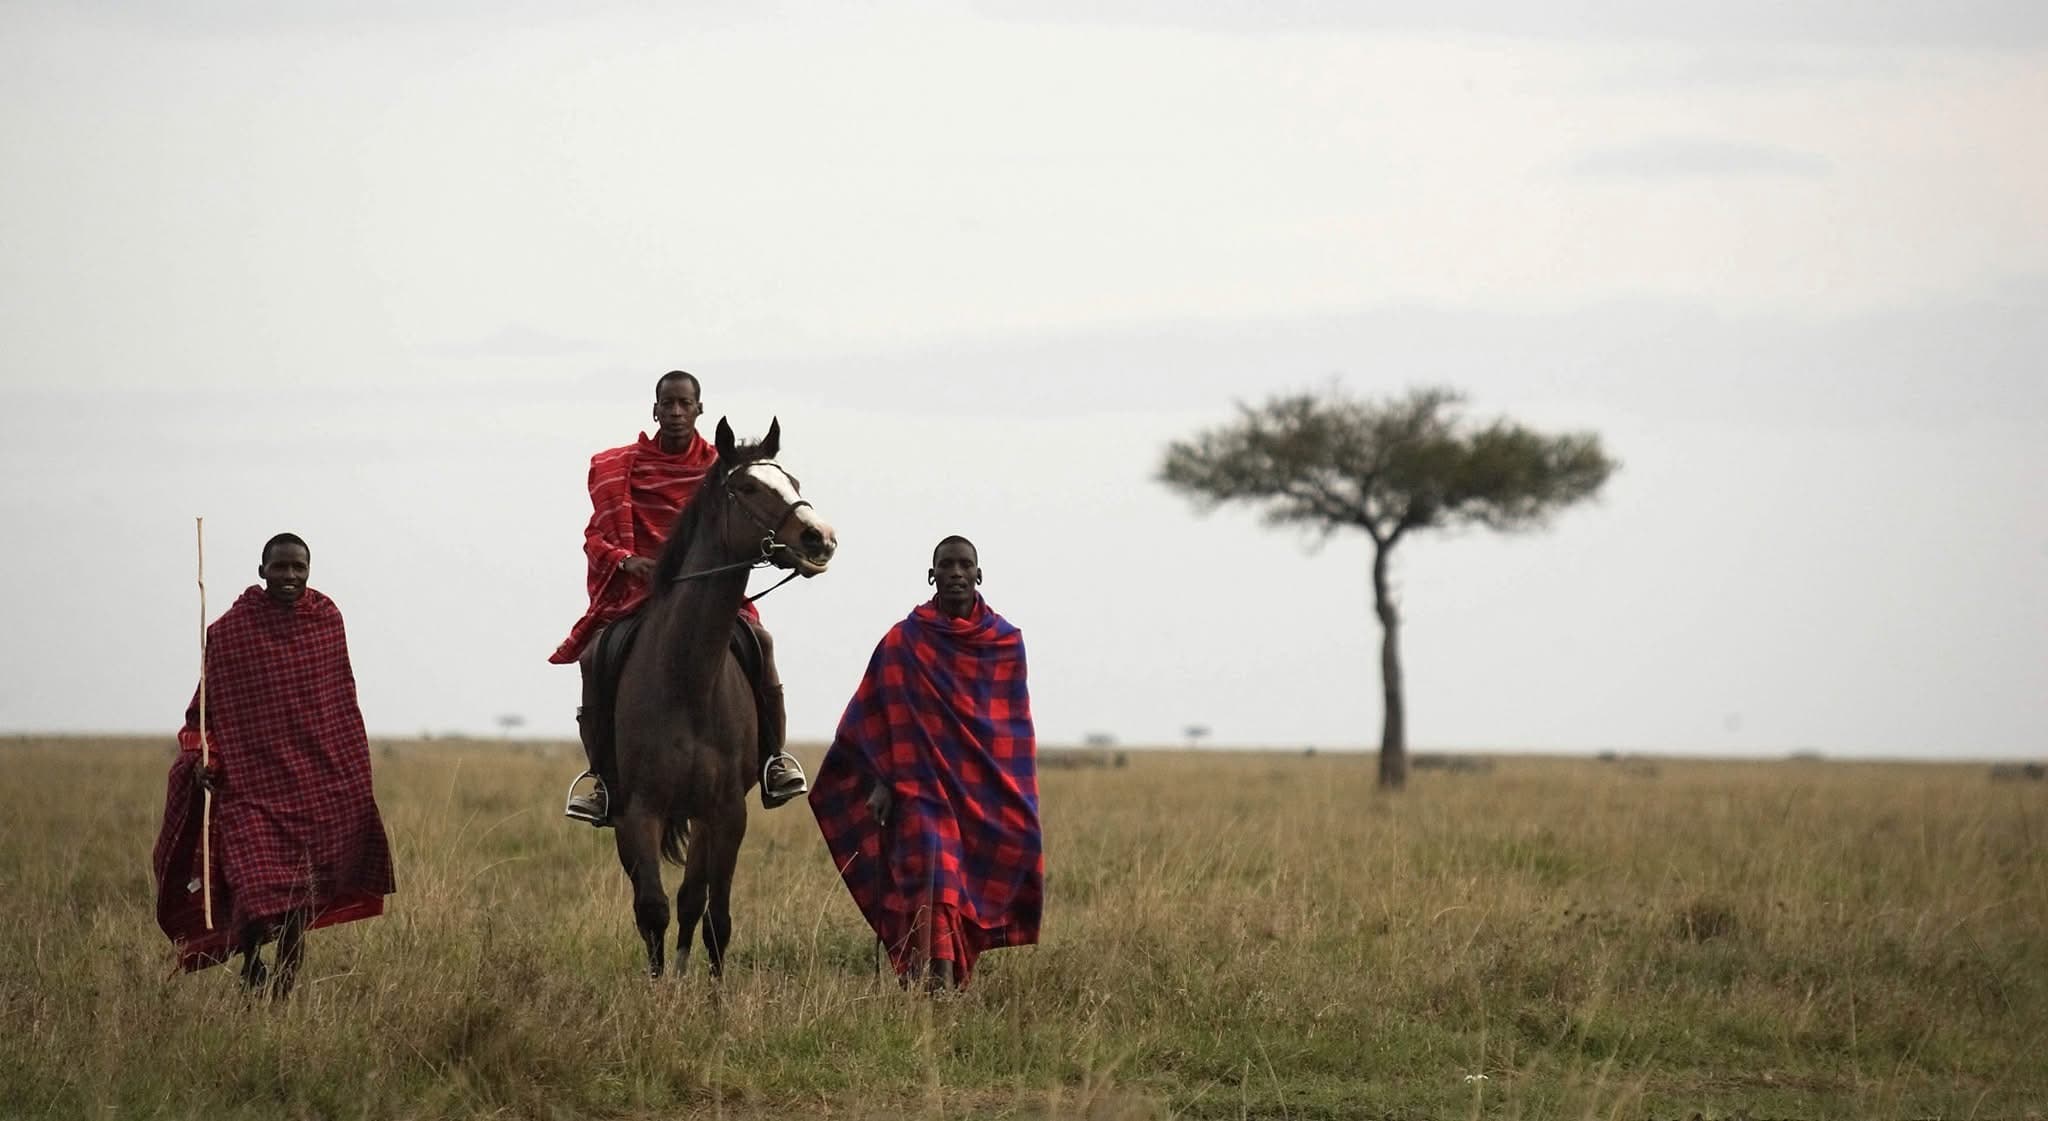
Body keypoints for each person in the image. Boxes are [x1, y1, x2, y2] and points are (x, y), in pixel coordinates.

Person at [552, 370, 807, 825]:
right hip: (640, 595)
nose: (674, 412)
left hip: (708, 597)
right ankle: (602, 780)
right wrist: (629, 561)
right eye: (666, 404)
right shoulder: (617, 466)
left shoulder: (721, 470)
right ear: (654, 409)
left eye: (683, 404)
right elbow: (596, 536)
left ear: (699, 410)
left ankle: (773, 760)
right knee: (595, 656)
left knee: (761, 644)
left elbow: (744, 527)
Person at [151, 533, 395, 998]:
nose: (290, 576)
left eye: (298, 568)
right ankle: (250, 965)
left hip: (311, 791)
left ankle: (280, 990)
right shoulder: (229, 633)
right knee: (254, 888)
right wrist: (204, 759)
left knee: (295, 908)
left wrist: (350, 783)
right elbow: (206, 711)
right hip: (250, 788)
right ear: (262, 571)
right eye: (280, 568)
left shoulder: (325, 622)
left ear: (309, 570)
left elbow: (338, 709)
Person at [808, 536, 1042, 990]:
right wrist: (880, 781)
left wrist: (1001, 792)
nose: (956, 572)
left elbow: (1009, 728)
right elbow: (871, 715)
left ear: (979, 574)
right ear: (932, 575)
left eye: (964, 565)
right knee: (936, 871)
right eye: (946, 565)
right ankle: (937, 980)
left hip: (980, 791)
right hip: (916, 788)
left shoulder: (1004, 643)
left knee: (967, 880)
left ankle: (947, 973)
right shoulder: (903, 641)